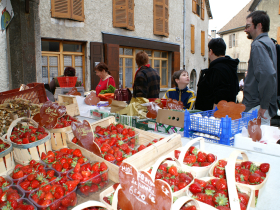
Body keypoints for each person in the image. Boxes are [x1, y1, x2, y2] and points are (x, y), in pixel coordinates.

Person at [243, 11, 277, 125]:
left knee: (252, 142)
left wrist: (264, 106)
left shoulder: (258, 44)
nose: (245, 30)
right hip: (261, 106)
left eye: (248, 26)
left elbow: (268, 74)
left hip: (257, 108)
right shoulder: (269, 42)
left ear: (259, 25)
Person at [195, 38, 239, 111]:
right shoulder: (230, 67)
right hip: (228, 112)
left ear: (211, 51)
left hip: (211, 116)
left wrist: (214, 115)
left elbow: (220, 95)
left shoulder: (217, 69)